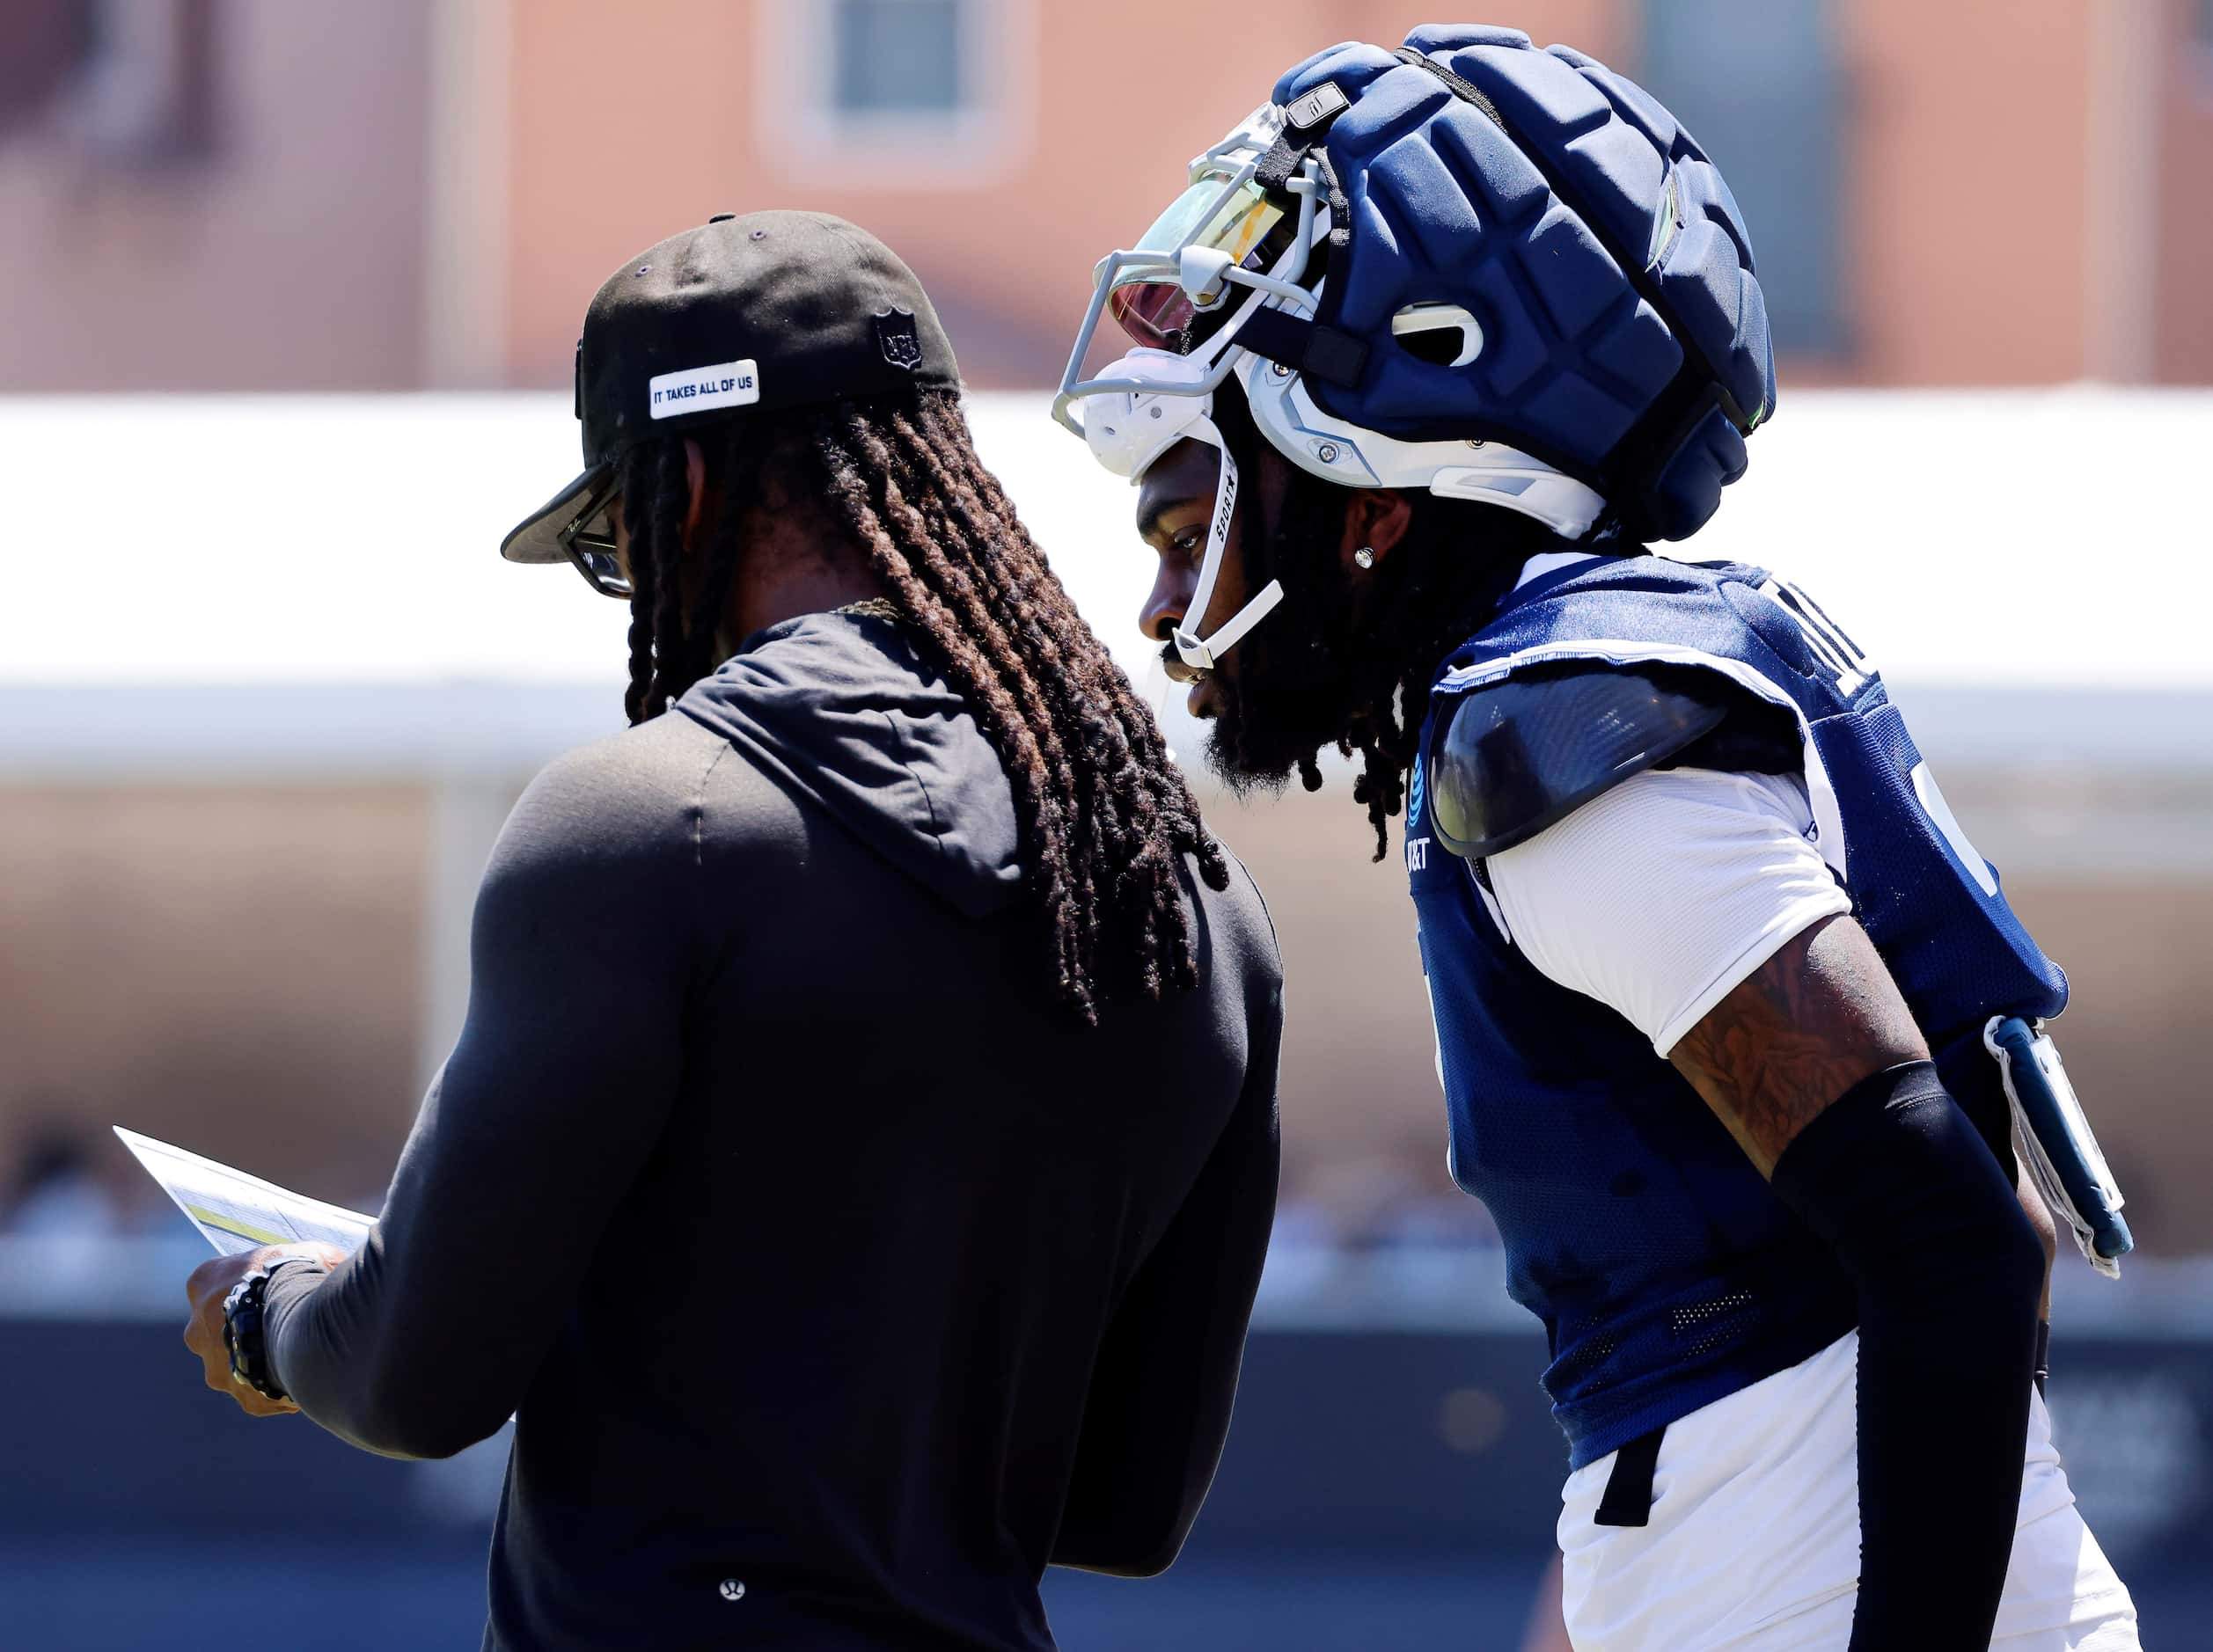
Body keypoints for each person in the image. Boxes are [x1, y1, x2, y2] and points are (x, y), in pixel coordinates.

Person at [1056, 26, 2137, 1650]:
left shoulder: (1560, 735)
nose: (1158, 603)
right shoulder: (1565, 698)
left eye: (1193, 518)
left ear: (1376, 489)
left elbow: (1954, 1239)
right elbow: (1733, 1347)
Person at [180, 211, 1284, 1652]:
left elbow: (411, 1380)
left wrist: (274, 1311)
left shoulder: (646, 824)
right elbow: (1126, 1506)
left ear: (683, 488)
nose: (635, 594)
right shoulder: (1186, 891)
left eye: (617, 545)